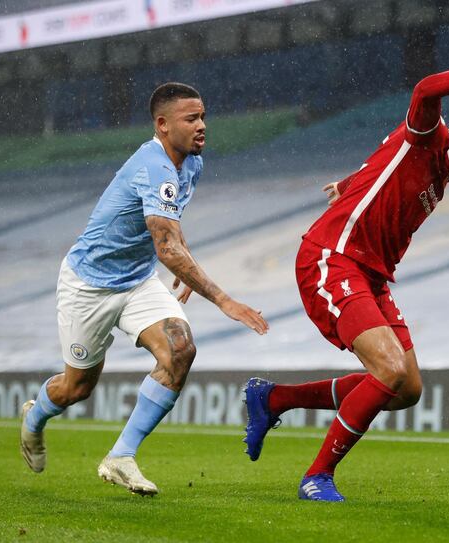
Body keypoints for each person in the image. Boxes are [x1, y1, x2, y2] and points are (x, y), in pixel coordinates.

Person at [243, 51, 449, 501]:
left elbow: (387, 167)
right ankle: (317, 476)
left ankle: (274, 399)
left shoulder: (446, 169)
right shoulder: (429, 136)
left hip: (371, 274)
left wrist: (353, 184)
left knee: (406, 388)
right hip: (333, 257)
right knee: (389, 369)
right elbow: (426, 87)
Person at [20, 82, 269, 496]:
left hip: (136, 280)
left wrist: (184, 267)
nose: (202, 125)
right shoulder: (151, 165)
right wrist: (222, 299)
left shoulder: (191, 163)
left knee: (180, 349)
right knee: (76, 388)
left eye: (203, 115)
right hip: (89, 285)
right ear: (163, 124)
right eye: (191, 119)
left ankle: (121, 456)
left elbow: (171, 228)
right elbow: (165, 245)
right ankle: (34, 418)